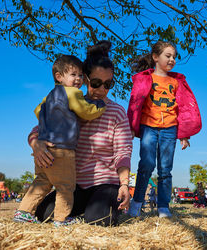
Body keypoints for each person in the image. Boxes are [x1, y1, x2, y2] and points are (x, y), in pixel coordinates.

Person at [28, 41, 132, 226]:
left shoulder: (117, 111)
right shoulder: (68, 102)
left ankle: (90, 212)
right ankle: (75, 215)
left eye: (108, 84)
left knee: (99, 220)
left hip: (105, 183)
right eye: (96, 83)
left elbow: (122, 151)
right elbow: (39, 129)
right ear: (84, 79)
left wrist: (124, 184)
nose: (101, 90)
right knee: (44, 214)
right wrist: (35, 143)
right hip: (74, 184)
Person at [14, 55, 107, 227]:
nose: (78, 79)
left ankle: (23, 212)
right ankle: (61, 219)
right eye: (73, 75)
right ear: (59, 77)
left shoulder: (49, 96)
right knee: (65, 186)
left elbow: (37, 111)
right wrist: (99, 107)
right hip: (62, 149)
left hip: (45, 147)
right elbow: (86, 111)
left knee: (41, 182)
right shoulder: (72, 92)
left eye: (80, 75)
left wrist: (51, 117)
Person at [127, 40, 202, 218]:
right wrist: (131, 127)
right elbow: (135, 103)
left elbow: (183, 108)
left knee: (165, 169)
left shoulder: (176, 82)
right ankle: (137, 202)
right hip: (149, 126)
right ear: (155, 57)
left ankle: (163, 206)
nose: (172, 60)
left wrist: (184, 134)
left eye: (174, 57)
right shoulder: (146, 78)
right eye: (167, 56)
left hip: (170, 128)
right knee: (146, 164)